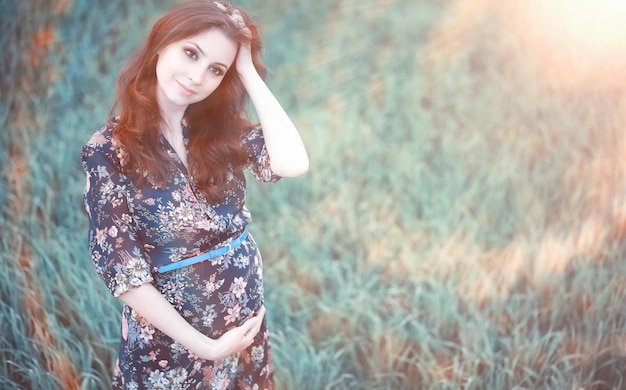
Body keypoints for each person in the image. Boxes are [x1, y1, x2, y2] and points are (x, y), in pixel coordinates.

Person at [81, 1, 309, 388]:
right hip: (171, 345)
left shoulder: (218, 129)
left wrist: (247, 71)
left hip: (242, 325)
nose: (196, 76)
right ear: (161, 44)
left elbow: (292, 163)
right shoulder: (110, 150)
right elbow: (124, 275)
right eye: (191, 53)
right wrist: (206, 347)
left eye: (215, 69)